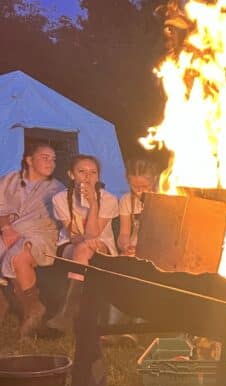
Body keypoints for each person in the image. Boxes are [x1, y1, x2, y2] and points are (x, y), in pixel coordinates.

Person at [48, 154, 119, 332]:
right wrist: (84, 240)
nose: (88, 177)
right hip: (72, 245)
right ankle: (71, 311)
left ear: (98, 177)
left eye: (93, 173)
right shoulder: (60, 199)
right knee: (82, 247)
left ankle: (68, 312)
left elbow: (94, 234)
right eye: (82, 172)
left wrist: (94, 204)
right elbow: (73, 236)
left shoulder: (108, 199)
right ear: (71, 175)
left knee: (86, 246)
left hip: (102, 246)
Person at [0, 143, 64, 337]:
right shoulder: (9, 180)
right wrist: (6, 227)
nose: (51, 162)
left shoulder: (56, 188)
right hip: (8, 231)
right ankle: (9, 305)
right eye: (45, 157)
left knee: (18, 256)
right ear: (29, 160)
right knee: (8, 249)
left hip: (40, 235)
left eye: (53, 159)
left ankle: (33, 309)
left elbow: (55, 221)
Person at [116, 158, 159, 257]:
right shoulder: (126, 200)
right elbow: (124, 234)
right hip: (134, 249)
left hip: (157, 249)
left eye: (144, 186)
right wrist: (125, 246)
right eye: (135, 186)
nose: (139, 190)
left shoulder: (163, 199)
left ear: (154, 180)